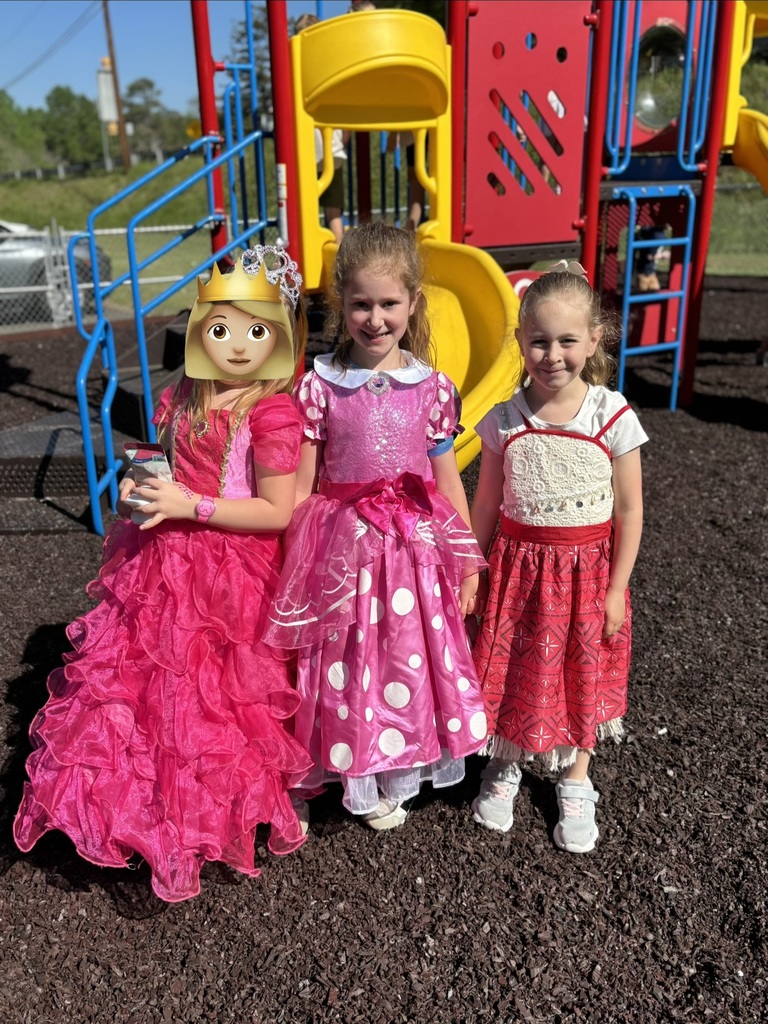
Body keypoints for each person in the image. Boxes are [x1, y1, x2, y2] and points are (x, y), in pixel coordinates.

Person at [14, 247, 314, 902]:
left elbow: (277, 509)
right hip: (159, 558)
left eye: (256, 330)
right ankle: (135, 802)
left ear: (283, 336)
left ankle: (211, 805)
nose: (237, 344)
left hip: (232, 572)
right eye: (222, 327)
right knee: (144, 682)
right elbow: (168, 464)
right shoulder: (182, 394)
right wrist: (145, 488)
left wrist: (191, 504)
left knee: (218, 693)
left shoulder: (271, 413)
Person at [265, 222, 488, 831]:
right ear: (341, 302)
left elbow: (447, 483)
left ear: (413, 302)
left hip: (412, 550)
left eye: (389, 303)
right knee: (342, 656)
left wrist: (465, 561)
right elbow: (307, 487)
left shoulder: (432, 388)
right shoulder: (320, 387)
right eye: (361, 303)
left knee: (401, 654)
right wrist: (295, 559)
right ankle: (333, 762)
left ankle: (390, 766)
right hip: (344, 549)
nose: (375, 317)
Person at [469, 260, 648, 853]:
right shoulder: (505, 421)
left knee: (581, 671)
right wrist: (472, 565)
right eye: (539, 340)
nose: (552, 354)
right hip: (519, 572)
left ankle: (576, 777)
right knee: (515, 667)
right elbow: (487, 504)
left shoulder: (611, 415)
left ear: (593, 340)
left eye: (568, 340)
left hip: (587, 576)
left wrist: (618, 587)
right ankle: (506, 762)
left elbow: (628, 510)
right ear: (520, 341)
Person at [295, 13, 349, 245]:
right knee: (333, 210)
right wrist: (342, 141)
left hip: (307, 150)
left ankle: (308, 246)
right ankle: (339, 250)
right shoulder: (329, 68)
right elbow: (346, 118)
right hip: (332, 148)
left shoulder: (298, 69)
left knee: (304, 206)